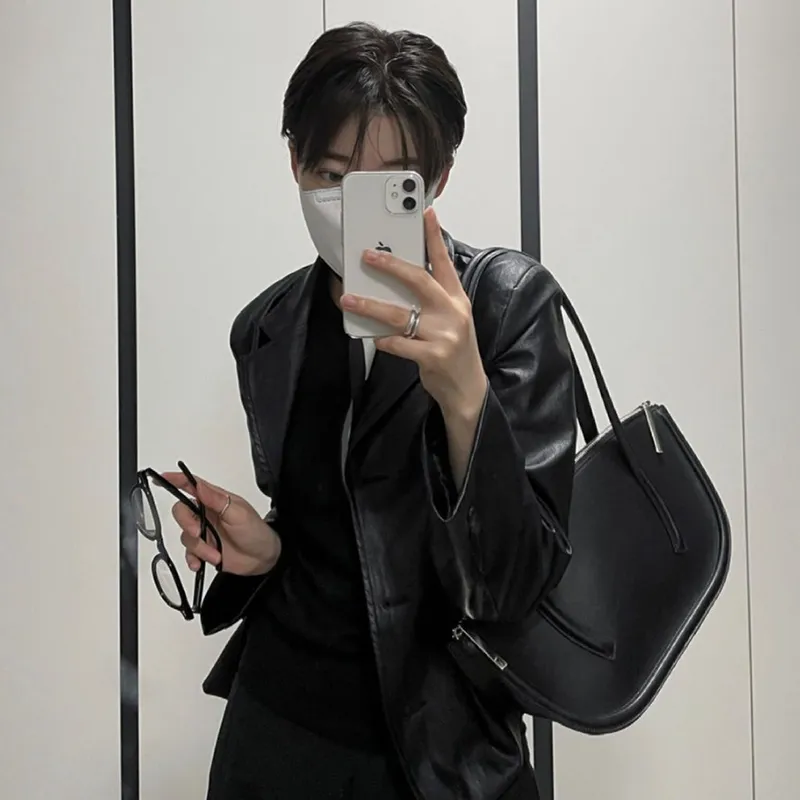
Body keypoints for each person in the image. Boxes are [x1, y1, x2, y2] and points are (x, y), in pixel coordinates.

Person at [165, 21, 577, 800]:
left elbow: (515, 586)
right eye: (331, 176)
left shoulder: (506, 307)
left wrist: (465, 392)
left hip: (438, 751)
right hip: (274, 728)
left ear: (438, 178)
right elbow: (336, 524)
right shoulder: (267, 326)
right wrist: (270, 547)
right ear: (294, 163)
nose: (354, 211)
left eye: (390, 185)